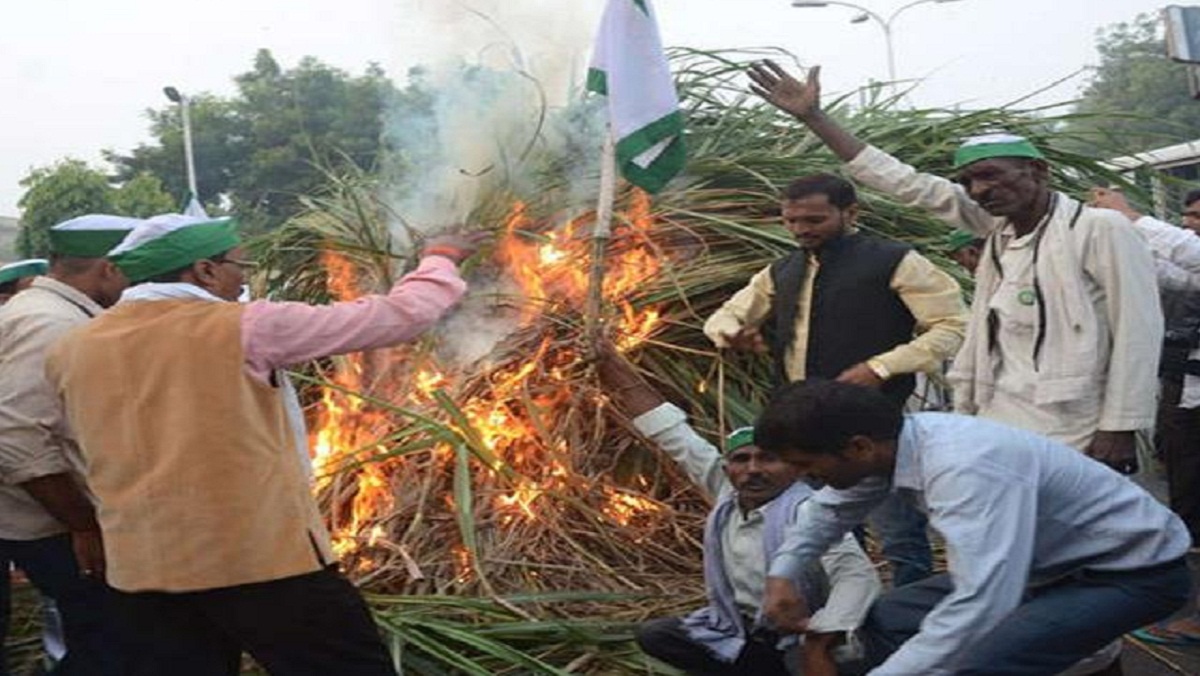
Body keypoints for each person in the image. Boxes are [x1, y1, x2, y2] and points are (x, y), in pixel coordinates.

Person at [43, 214, 479, 676]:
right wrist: (441, 258)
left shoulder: (72, 348)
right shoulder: (248, 325)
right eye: (239, 266)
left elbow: (71, 447)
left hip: (141, 570)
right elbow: (397, 317)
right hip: (257, 561)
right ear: (204, 270)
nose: (243, 279)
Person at [746, 61, 1163, 477]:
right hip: (998, 415)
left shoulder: (1096, 229)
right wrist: (815, 119)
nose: (980, 190)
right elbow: (903, 182)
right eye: (969, 182)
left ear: (1037, 171)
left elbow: (1138, 330)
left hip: (1076, 420)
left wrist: (1121, 426)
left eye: (990, 176)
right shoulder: (996, 227)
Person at [753, 379, 1191, 675]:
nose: (805, 478)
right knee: (884, 618)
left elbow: (982, 600)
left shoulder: (964, 469)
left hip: (1133, 576)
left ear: (858, 446)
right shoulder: (890, 447)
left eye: (807, 465)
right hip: (1042, 571)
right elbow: (829, 511)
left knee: (974, 662)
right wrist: (783, 574)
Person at [704, 173, 968, 587]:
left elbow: (953, 325)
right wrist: (730, 332)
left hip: (874, 430)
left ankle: (908, 620)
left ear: (851, 213)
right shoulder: (782, 270)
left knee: (899, 536)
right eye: (790, 221)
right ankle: (837, 616)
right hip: (801, 433)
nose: (800, 230)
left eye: (814, 220)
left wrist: (881, 367)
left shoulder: (893, 260)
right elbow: (725, 315)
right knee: (822, 531)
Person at [595, 342, 879, 675]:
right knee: (658, 636)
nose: (753, 469)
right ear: (728, 467)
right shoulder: (728, 493)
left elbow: (857, 576)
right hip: (743, 630)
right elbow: (673, 434)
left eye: (768, 459)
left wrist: (823, 632)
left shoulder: (808, 512)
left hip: (800, 634)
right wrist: (610, 365)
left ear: (796, 467)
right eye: (742, 459)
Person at [0, 215, 138, 675]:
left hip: (52, 518)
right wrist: (83, 524)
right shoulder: (50, 324)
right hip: (51, 524)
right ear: (107, 270)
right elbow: (16, 437)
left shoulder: (49, 312)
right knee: (108, 645)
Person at [1090, 186, 1200, 647]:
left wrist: (1129, 216)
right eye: (1188, 216)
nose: (1190, 224)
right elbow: (1177, 276)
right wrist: (1112, 243)